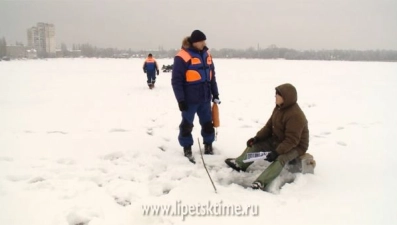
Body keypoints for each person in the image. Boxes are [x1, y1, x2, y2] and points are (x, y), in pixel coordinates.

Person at [225, 83, 309, 190]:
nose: (275, 96)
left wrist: (276, 152)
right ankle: (240, 164)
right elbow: (269, 127)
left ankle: (261, 182)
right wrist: (257, 138)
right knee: (257, 145)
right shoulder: (279, 108)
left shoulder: (295, 116)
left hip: (296, 146)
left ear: (286, 98)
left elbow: (292, 140)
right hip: (279, 139)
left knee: (280, 158)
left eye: (278, 94)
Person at [171, 30, 221, 161]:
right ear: (194, 42)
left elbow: (212, 77)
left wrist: (215, 93)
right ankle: (187, 147)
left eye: (204, 41)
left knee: (208, 124)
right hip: (189, 100)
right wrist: (180, 100)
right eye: (201, 41)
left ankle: (208, 145)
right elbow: (176, 81)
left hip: (205, 98)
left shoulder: (207, 55)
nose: (204, 43)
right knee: (187, 125)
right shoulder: (182, 56)